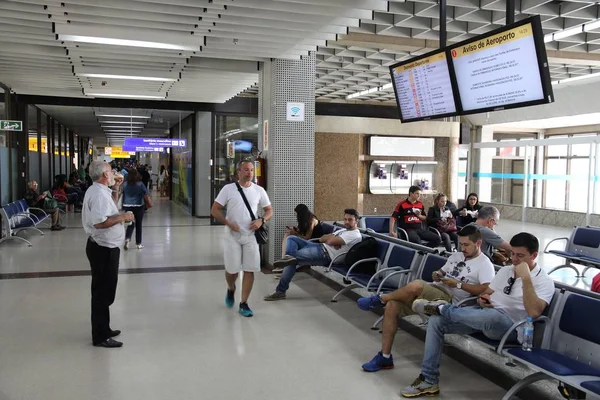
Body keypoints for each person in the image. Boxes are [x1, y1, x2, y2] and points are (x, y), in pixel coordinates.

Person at [400, 232, 555, 397]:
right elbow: (487, 292)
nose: (514, 259)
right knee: (436, 322)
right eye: (512, 254)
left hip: (509, 328)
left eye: (520, 256)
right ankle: (428, 380)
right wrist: (484, 299)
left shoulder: (544, 281)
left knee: (493, 316)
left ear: (534, 255)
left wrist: (525, 278)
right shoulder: (506, 271)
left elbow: (534, 312)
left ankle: (443, 309)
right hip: (483, 316)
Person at [357, 225, 495, 375]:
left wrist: (459, 284)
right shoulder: (456, 256)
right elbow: (441, 272)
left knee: (416, 284)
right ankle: (385, 357)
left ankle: (380, 298)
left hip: (450, 300)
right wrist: (437, 274)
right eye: (461, 244)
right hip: (434, 291)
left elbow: (485, 289)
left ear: (478, 243)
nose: (462, 248)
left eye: (466, 245)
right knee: (392, 306)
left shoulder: (484, 264)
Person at [82, 161, 135, 348]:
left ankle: (104, 327)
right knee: (102, 293)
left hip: (106, 247)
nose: (113, 173)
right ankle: (100, 336)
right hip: (103, 249)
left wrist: (117, 189)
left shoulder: (100, 191)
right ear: (104, 175)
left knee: (105, 291)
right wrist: (124, 217)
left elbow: (109, 208)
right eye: (111, 171)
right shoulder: (97, 195)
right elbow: (100, 222)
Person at [211, 160, 273, 317]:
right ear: (238, 172)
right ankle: (231, 288)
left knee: (249, 269)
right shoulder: (228, 189)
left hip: (251, 236)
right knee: (232, 270)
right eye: (246, 170)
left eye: (252, 170)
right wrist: (228, 223)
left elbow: (269, 210)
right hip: (232, 236)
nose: (249, 173)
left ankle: (244, 303)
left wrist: (262, 220)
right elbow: (215, 209)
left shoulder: (259, 190)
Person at [264, 209, 363, 301]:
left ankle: (280, 291)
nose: (346, 222)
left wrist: (332, 239)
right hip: (320, 246)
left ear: (356, 221)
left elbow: (330, 240)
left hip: (326, 255)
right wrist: (332, 240)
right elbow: (322, 238)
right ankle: (288, 257)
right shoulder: (344, 230)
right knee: (291, 238)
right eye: (345, 219)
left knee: (293, 260)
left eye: (350, 220)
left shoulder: (354, 234)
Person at [273, 203, 324, 273]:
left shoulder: (312, 220)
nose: (296, 216)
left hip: (314, 243)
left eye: (296, 214)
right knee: (287, 235)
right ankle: (284, 260)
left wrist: (295, 233)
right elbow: (302, 234)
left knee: (289, 237)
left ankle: (284, 261)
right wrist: (295, 230)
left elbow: (307, 237)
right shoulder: (305, 220)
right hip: (308, 241)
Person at [122, 169, 152, 250]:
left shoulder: (125, 184)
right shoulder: (140, 184)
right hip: (139, 205)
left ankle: (127, 239)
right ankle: (138, 243)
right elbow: (146, 193)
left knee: (130, 223)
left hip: (127, 205)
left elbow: (122, 192)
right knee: (139, 225)